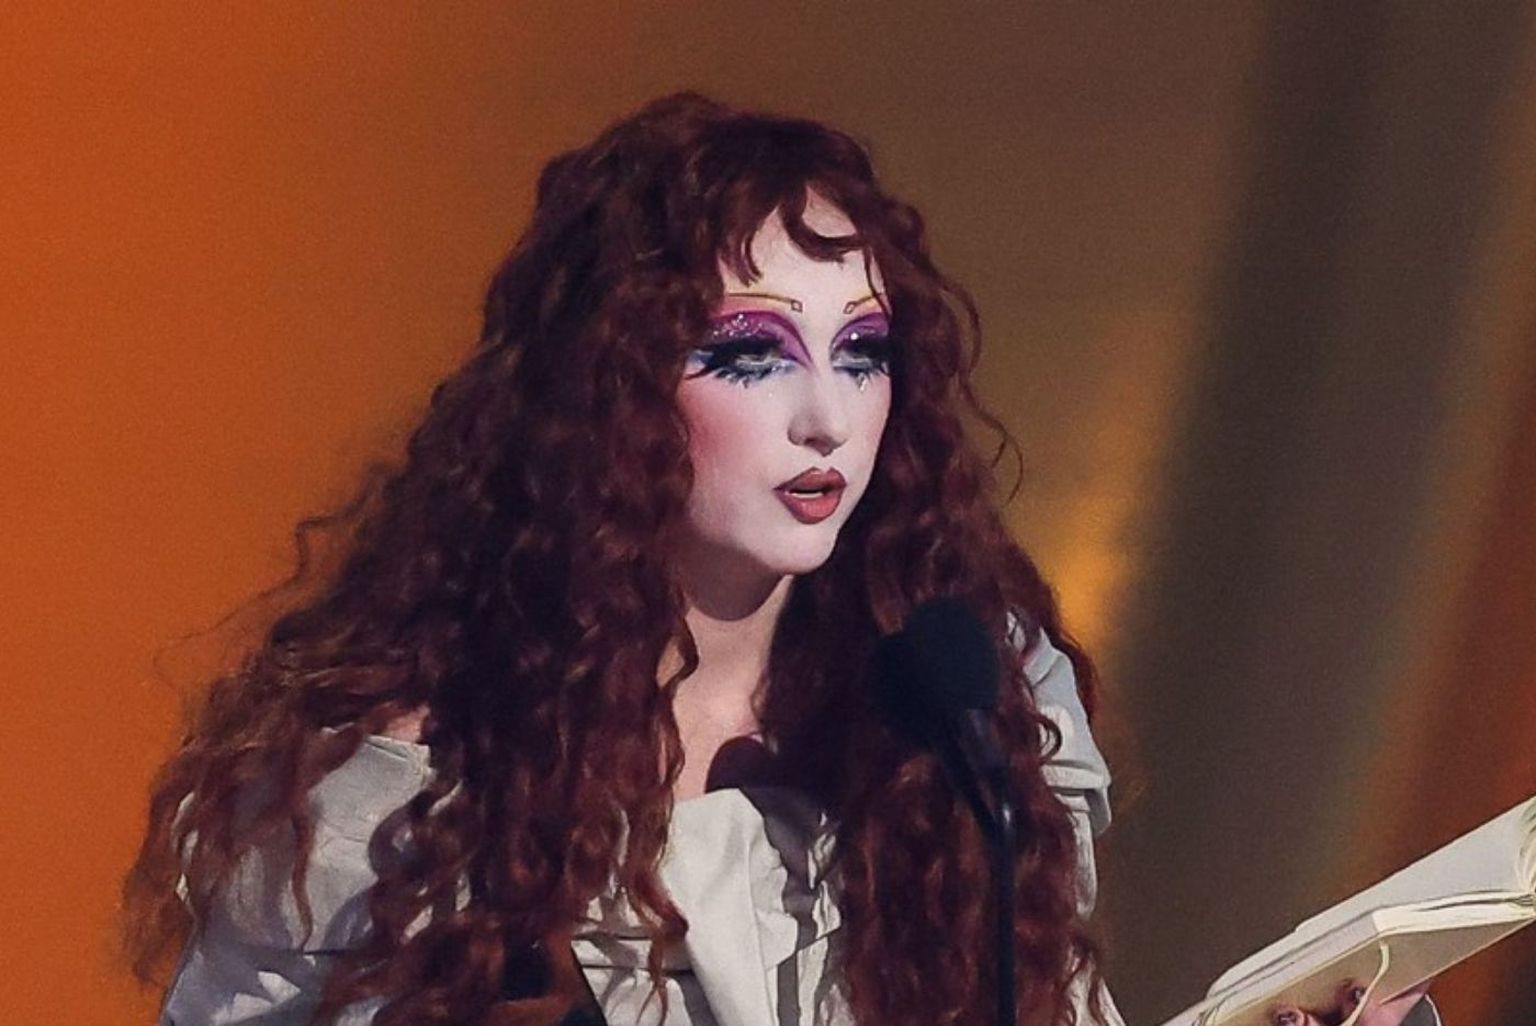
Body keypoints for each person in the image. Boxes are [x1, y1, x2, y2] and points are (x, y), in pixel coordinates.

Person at [121, 93, 1427, 1026]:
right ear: (611, 387)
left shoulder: (962, 710)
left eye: (863, 351)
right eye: (752, 351)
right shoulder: (400, 793)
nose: (826, 416)